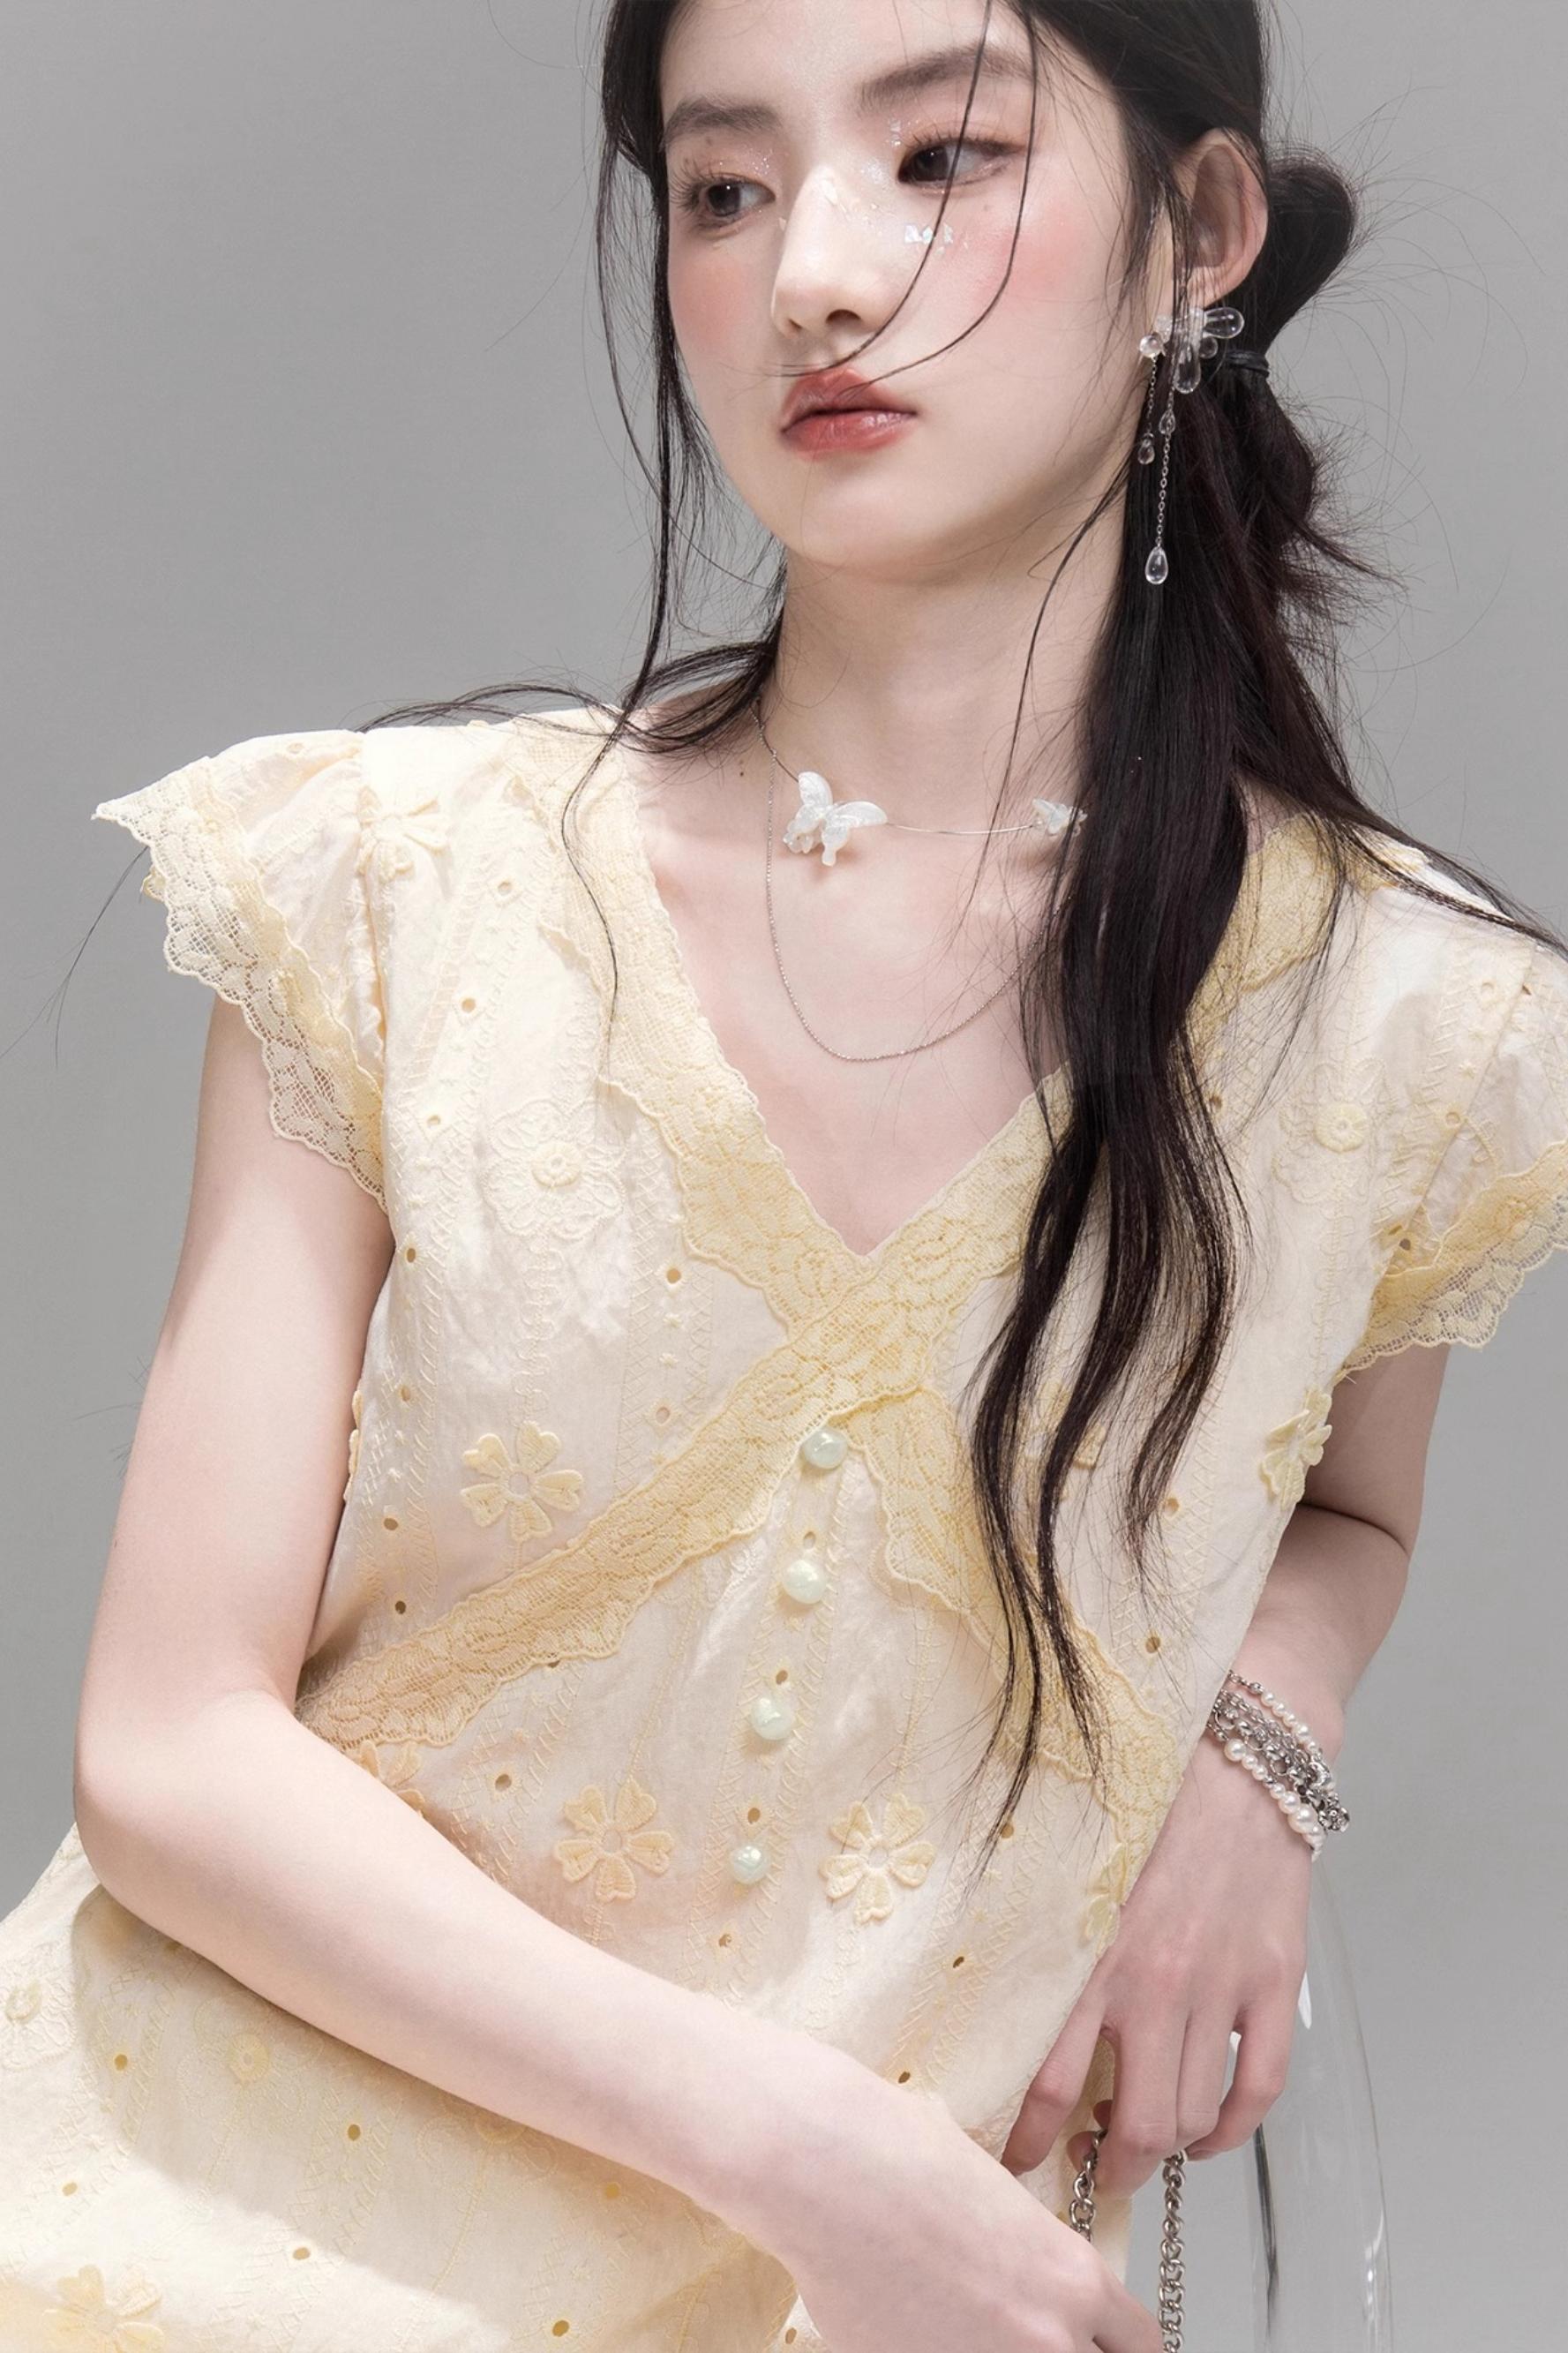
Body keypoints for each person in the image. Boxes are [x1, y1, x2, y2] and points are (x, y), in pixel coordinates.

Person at [3, 4, 1565, 2349]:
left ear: (1200, 231)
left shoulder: (1409, 1030)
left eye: (938, 158)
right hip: (166, 2234)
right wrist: (817, 2161)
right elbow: (168, 1744)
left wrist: (1259, 1755)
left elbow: (1345, 1514)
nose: (812, 274)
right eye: (725, 189)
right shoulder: (399, 889)